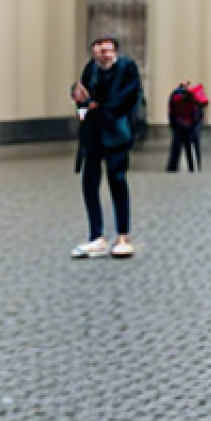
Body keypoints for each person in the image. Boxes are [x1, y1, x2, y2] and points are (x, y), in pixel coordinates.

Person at [70, 36, 143, 258]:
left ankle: (122, 236)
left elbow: (131, 95)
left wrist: (99, 106)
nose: (104, 54)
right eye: (99, 50)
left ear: (115, 52)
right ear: (93, 53)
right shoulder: (90, 69)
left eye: (108, 50)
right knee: (90, 182)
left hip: (116, 133)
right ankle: (96, 236)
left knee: (117, 181)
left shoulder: (127, 68)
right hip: (92, 134)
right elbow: (83, 98)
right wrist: (78, 96)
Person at [167, 80, 208, 172]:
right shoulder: (194, 99)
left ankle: (173, 168)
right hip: (190, 127)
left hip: (182, 126)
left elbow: (172, 111)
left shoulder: (176, 98)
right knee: (191, 147)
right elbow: (199, 113)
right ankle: (194, 167)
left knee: (178, 148)